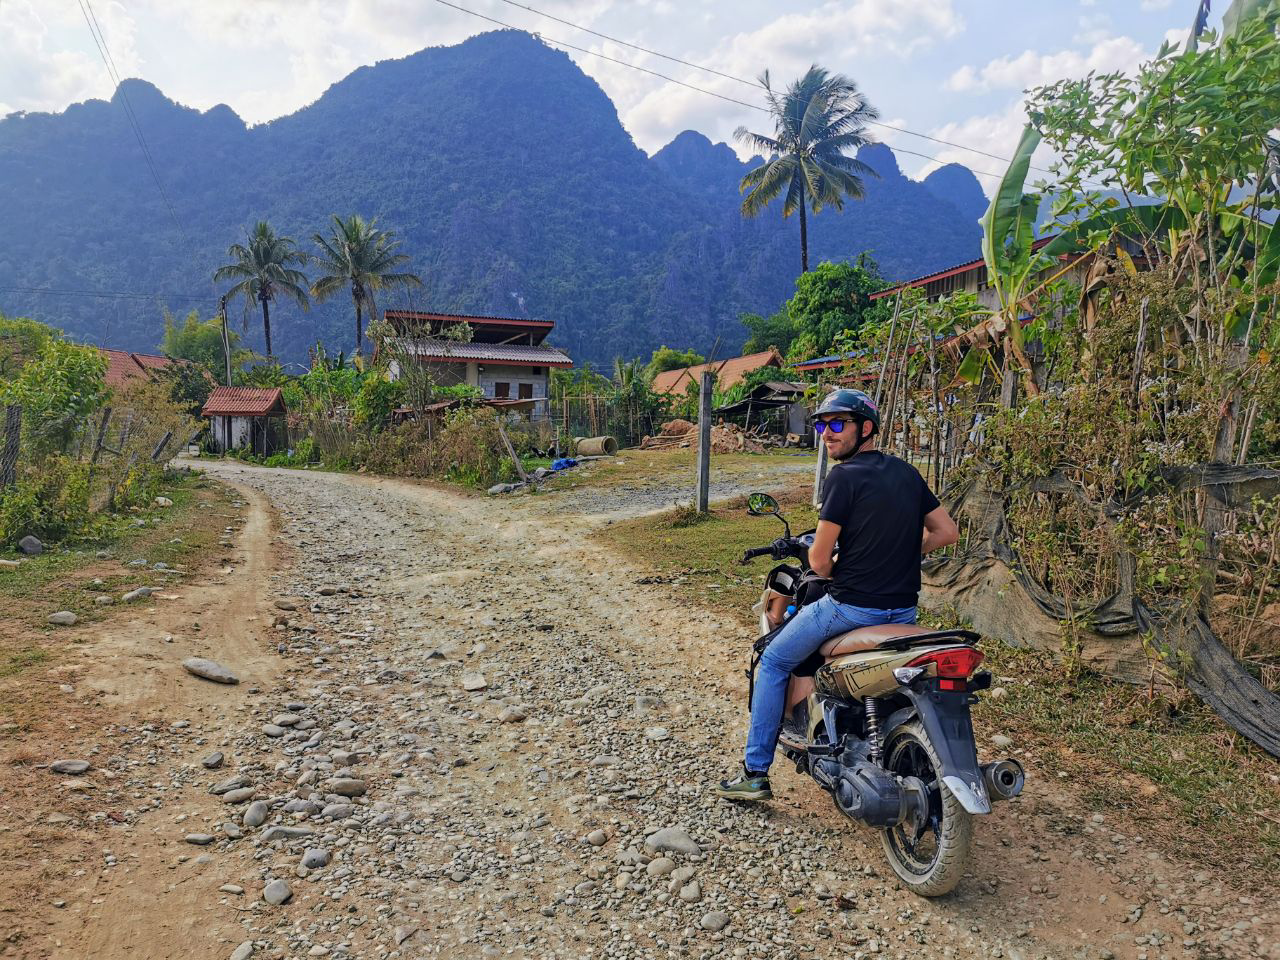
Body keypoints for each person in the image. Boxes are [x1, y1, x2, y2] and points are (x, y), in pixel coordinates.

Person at [715, 388, 959, 801]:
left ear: (866, 428)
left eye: (837, 424)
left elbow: (821, 560)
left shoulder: (843, 477)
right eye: (821, 424)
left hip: (851, 608)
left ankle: (754, 773)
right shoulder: (907, 473)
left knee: (772, 660)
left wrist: (833, 564)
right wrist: (898, 550)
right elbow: (946, 532)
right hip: (902, 608)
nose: (827, 433)